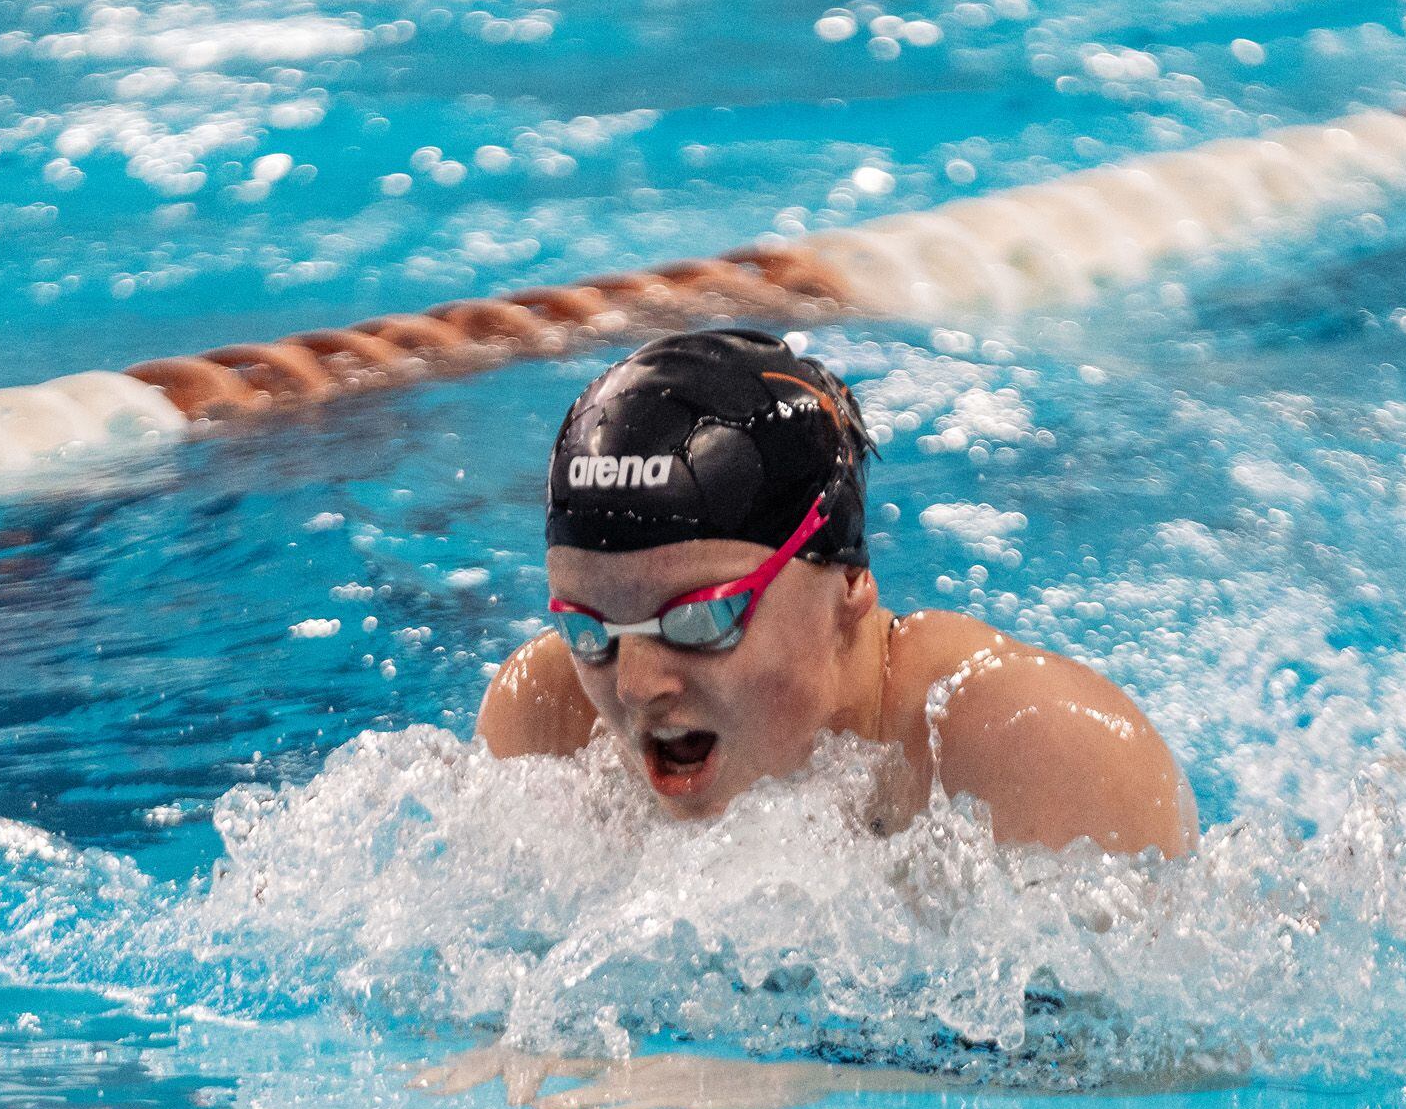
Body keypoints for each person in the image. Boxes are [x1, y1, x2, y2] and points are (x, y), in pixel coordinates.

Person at [473, 328, 1196, 859]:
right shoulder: (549, 725)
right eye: (588, 630)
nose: (633, 685)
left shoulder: (1034, 750)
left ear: (849, 581)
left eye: (699, 618)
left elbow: (1160, 1062)